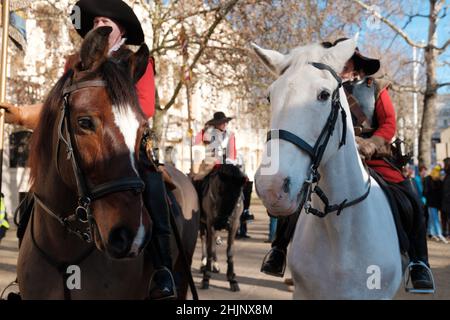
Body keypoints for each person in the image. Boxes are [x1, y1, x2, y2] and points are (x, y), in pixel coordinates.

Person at [0, 0, 175, 300]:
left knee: (156, 188)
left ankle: (162, 268)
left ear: (121, 32)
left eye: (106, 24)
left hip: (126, 144)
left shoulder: (135, 63)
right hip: (83, 146)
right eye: (94, 24)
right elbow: (57, 107)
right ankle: (27, 270)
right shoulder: (74, 64)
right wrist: (23, 114)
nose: (98, 28)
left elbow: (144, 107)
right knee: (35, 198)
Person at [261, 39, 435, 293]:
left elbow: (388, 124)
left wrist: (370, 143)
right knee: (301, 196)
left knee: (411, 198)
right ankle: (279, 248)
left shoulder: (376, 88)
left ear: (355, 63)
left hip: (373, 156)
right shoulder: (318, 85)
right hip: (331, 156)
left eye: (344, 60)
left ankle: (419, 263)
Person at [194, 111, 239, 230]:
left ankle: (244, 211)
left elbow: (232, 152)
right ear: (216, 124)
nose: (224, 125)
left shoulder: (231, 135)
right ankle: (197, 212)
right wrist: (204, 130)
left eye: (225, 122)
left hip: (228, 165)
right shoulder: (208, 133)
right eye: (221, 123)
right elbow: (197, 140)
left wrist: (229, 164)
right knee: (196, 180)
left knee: (244, 181)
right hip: (210, 164)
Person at [424, 165, 447, 243]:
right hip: (432, 203)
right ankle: (439, 234)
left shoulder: (432, 179)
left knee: (432, 218)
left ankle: (431, 233)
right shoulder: (433, 180)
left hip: (433, 203)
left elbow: (426, 191)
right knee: (435, 219)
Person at [441, 158, 450, 239]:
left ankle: (446, 233)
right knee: (444, 218)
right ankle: (445, 233)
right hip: (444, 201)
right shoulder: (446, 175)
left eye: (444, 164)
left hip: (447, 201)